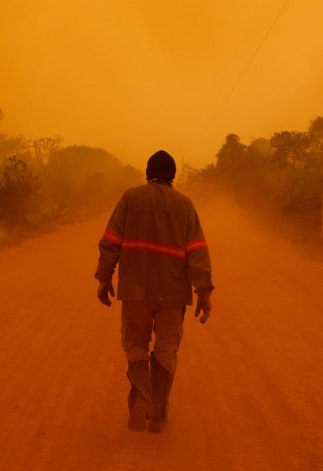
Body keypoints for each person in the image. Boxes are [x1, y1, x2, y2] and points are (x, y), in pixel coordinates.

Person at [95, 150, 214, 433]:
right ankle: (158, 413)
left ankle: (143, 395)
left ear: (148, 173)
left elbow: (110, 241)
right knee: (165, 350)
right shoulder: (185, 205)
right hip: (172, 293)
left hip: (135, 289)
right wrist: (204, 291)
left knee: (135, 344)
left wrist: (104, 277)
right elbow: (197, 251)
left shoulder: (130, 198)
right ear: (173, 176)